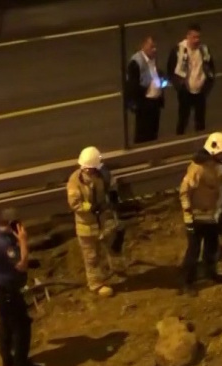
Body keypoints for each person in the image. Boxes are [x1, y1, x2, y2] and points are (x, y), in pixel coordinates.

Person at [0, 207, 39, 366]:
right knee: (21, 326)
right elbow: (22, 265)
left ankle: (7, 360)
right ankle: (20, 365)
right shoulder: (5, 244)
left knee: (5, 324)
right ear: (12, 224)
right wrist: (23, 241)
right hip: (7, 291)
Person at [178, 132, 222, 295]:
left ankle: (210, 272)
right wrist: (188, 219)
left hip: (211, 216)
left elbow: (219, 189)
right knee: (193, 251)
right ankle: (186, 282)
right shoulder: (198, 169)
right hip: (196, 217)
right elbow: (184, 192)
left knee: (212, 246)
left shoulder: (217, 166)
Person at [66, 146, 115, 298]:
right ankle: (95, 284)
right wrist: (90, 207)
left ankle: (108, 273)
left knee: (104, 249)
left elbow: (109, 187)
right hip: (86, 225)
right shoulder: (75, 181)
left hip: (100, 221)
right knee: (91, 256)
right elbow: (75, 204)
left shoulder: (101, 175)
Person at [167, 22, 215, 136]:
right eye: (194, 37)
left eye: (198, 37)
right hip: (185, 92)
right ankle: (179, 142)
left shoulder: (204, 50)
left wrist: (207, 86)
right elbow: (170, 69)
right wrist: (179, 86)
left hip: (200, 92)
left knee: (200, 121)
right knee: (183, 120)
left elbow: (211, 68)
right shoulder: (178, 50)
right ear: (187, 36)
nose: (196, 40)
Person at [126, 35, 167, 144]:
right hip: (144, 104)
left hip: (155, 102)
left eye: (155, 47)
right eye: (151, 47)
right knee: (143, 134)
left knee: (153, 132)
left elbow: (154, 73)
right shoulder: (136, 62)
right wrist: (137, 102)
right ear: (143, 46)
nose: (154, 49)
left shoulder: (153, 58)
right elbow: (132, 86)